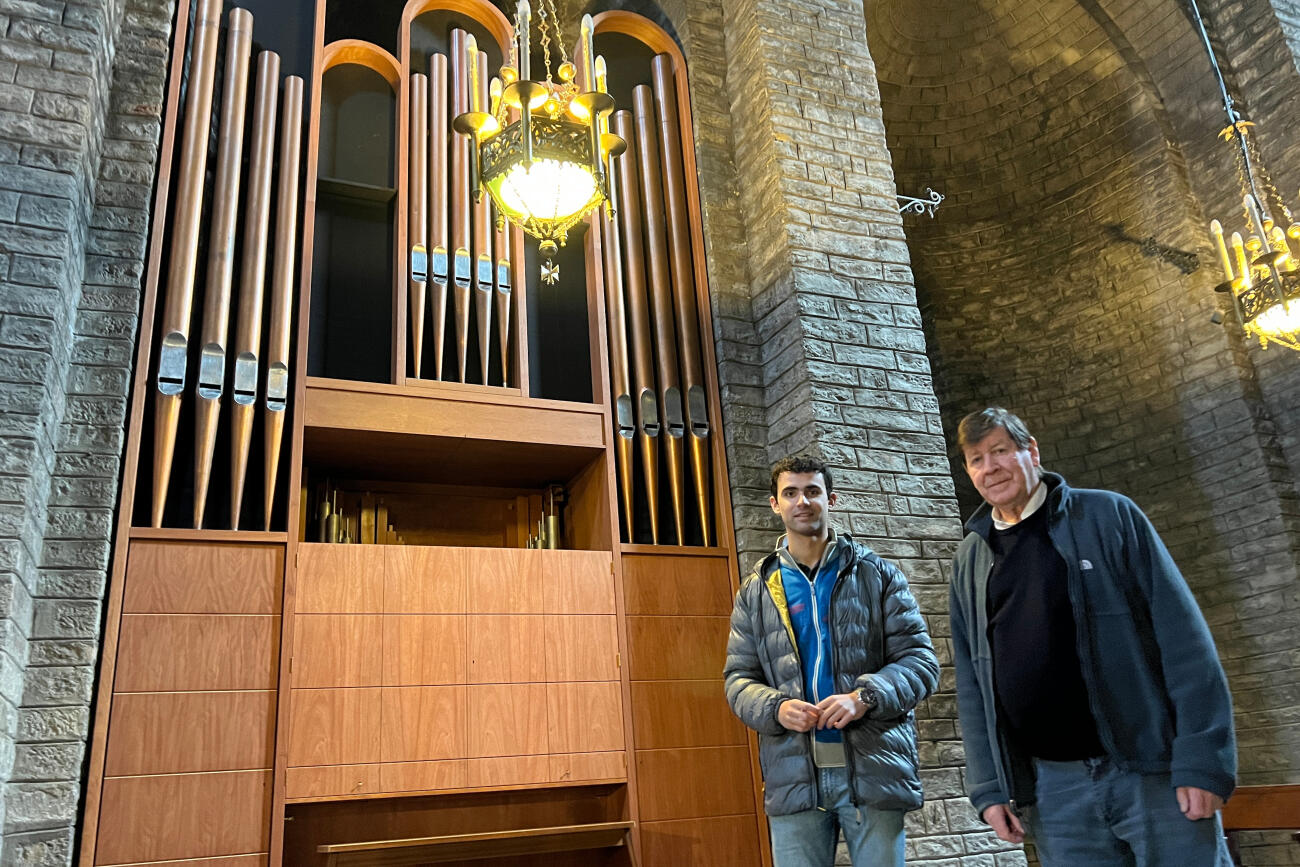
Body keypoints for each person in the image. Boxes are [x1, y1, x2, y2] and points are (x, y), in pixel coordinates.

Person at [949, 407, 1236, 866]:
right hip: (1053, 791)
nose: (990, 468)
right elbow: (972, 682)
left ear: (1032, 452)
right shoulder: (971, 557)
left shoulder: (1107, 516)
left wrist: (1202, 758)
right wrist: (989, 787)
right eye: (977, 459)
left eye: (1001, 451)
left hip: (1149, 770)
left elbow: (1185, 643)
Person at [724, 455, 939, 867]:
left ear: (831, 499)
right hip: (794, 775)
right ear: (775, 504)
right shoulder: (755, 591)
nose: (802, 501)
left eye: (812, 491)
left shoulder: (879, 575)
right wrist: (776, 707)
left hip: (874, 768)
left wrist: (865, 696)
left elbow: (921, 662)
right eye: (790, 493)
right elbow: (737, 678)